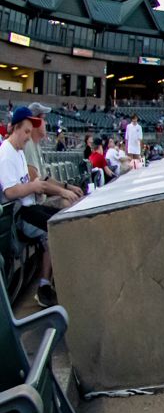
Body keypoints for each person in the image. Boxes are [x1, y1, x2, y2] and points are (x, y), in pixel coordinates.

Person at [0, 108, 80, 307]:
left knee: (63, 219)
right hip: (19, 215)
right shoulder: (6, 153)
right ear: (15, 128)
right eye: (26, 132)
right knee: (57, 227)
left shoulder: (18, 152)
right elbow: (9, 192)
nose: (28, 137)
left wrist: (36, 188)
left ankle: (49, 284)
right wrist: (34, 187)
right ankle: (47, 286)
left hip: (29, 208)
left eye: (29, 132)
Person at [23, 104, 84, 208]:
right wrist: (62, 192)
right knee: (68, 202)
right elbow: (36, 181)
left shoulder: (36, 145)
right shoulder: (28, 145)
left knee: (75, 197)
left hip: (42, 199)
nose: (46, 123)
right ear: (35, 122)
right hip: (34, 205)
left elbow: (45, 178)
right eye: (43, 119)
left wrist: (67, 187)